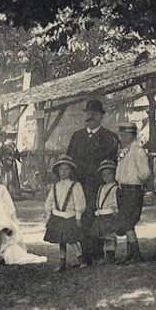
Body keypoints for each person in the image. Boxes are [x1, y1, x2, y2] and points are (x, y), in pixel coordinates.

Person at [65, 99, 120, 266]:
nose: (91, 117)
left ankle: (99, 254)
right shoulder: (77, 137)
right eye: (88, 114)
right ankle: (86, 256)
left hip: (100, 186)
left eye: (95, 114)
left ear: (101, 117)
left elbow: (113, 163)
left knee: (99, 217)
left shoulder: (109, 137)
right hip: (80, 185)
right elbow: (69, 161)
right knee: (81, 217)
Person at [116, 122, 152, 264]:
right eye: (121, 135)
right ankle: (131, 253)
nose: (122, 138)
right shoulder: (126, 150)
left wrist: (137, 180)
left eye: (125, 135)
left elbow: (145, 173)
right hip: (123, 189)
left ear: (132, 135)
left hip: (133, 189)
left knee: (128, 222)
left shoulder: (138, 151)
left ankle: (135, 253)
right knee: (126, 222)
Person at [43, 155, 86, 272]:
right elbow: (49, 201)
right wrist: (49, 215)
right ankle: (62, 263)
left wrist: (78, 217)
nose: (64, 172)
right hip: (57, 217)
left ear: (71, 171)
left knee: (72, 240)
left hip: (69, 216)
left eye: (66, 169)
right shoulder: (55, 186)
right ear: (58, 171)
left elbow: (79, 202)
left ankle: (81, 260)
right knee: (61, 241)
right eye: (61, 169)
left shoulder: (75, 185)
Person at [90, 160, 121, 263]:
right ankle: (101, 255)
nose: (106, 176)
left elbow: (116, 201)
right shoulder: (101, 187)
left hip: (110, 214)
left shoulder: (115, 187)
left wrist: (115, 210)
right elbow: (98, 199)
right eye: (104, 175)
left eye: (109, 174)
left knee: (110, 236)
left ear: (114, 174)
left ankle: (110, 255)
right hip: (101, 214)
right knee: (100, 235)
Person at [0, 127, 22, 198]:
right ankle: (9, 194)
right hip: (7, 163)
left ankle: (14, 194)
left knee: (12, 178)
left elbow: (16, 154)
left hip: (11, 162)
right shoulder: (6, 144)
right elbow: (3, 154)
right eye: (13, 135)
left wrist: (18, 157)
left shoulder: (12, 144)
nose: (14, 137)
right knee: (8, 179)